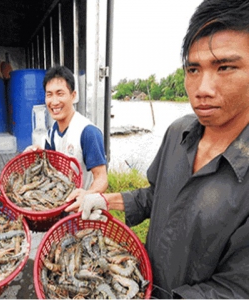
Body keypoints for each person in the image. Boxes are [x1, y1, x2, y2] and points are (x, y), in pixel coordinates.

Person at [67, 0, 249, 298]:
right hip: (140, 282)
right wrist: (105, 200)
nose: (202, 88)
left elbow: (235, 290)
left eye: (225, 67)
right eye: (193, 69)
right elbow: (156, 196)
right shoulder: (179, 132)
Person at [25, 65, 108, 198]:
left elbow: (101, 178)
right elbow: (49, 169)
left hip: (81, 209)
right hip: (59, 202)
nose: (54, 102)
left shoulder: (88, 132)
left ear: (73, 95)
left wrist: (87, 195)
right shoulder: (51, 134)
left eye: (60, 94)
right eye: (49, 95)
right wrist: (35, 155)